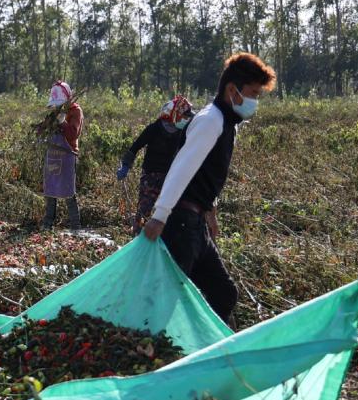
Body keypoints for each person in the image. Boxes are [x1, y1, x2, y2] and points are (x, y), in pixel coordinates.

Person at [142, 53, 276, 325]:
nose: (254, 102)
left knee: (223, 294)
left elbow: (204, 176)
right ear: (231, 90)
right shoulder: (210, 121)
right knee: (166, 299)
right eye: (252, 93)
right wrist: (160, 215)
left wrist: (210, 212)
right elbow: (182, 168)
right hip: (179, 222)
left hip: (195, 223)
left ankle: (202, 351)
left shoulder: (227, 124)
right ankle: (152, 353)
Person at [118, 95, 193, 233]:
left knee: (170, 211)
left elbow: (187, 153)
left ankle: (164, 240)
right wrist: (125, 165)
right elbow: (136, 146)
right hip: (150, 175)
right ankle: (138, 237)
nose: (186, 119)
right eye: (184, 116)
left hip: (170, 176)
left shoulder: (182, 132)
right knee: (144, 208)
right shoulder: (154, 128)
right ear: (174, 114)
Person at [41, 81, 83, 231]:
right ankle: (48, 224)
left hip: (67, 155)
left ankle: (75, 226)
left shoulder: (75, 111)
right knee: (50, 190)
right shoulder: (54, 111)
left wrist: (63, 122)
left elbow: (73, 134)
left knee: (68, 192)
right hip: (52, 154)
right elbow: (45, 129)